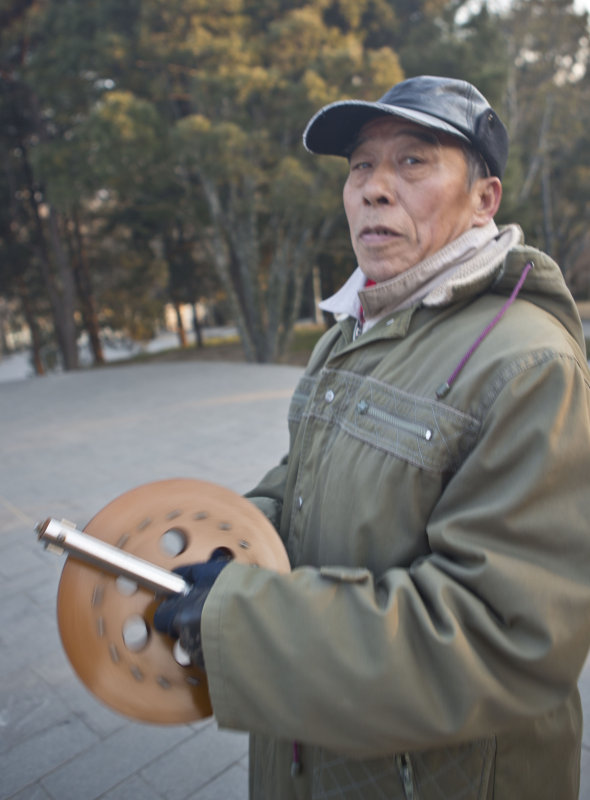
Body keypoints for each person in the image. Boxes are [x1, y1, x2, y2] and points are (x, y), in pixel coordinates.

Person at [155, 76, 590, 799]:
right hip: (310, 755)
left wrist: (242, 621)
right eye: (361, 166)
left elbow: (502, 636)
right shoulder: (354, 332)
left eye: (413, 161)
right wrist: (218, 545)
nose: (373, 189)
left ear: (485, 199)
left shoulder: (528, 363)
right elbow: (302, 487)